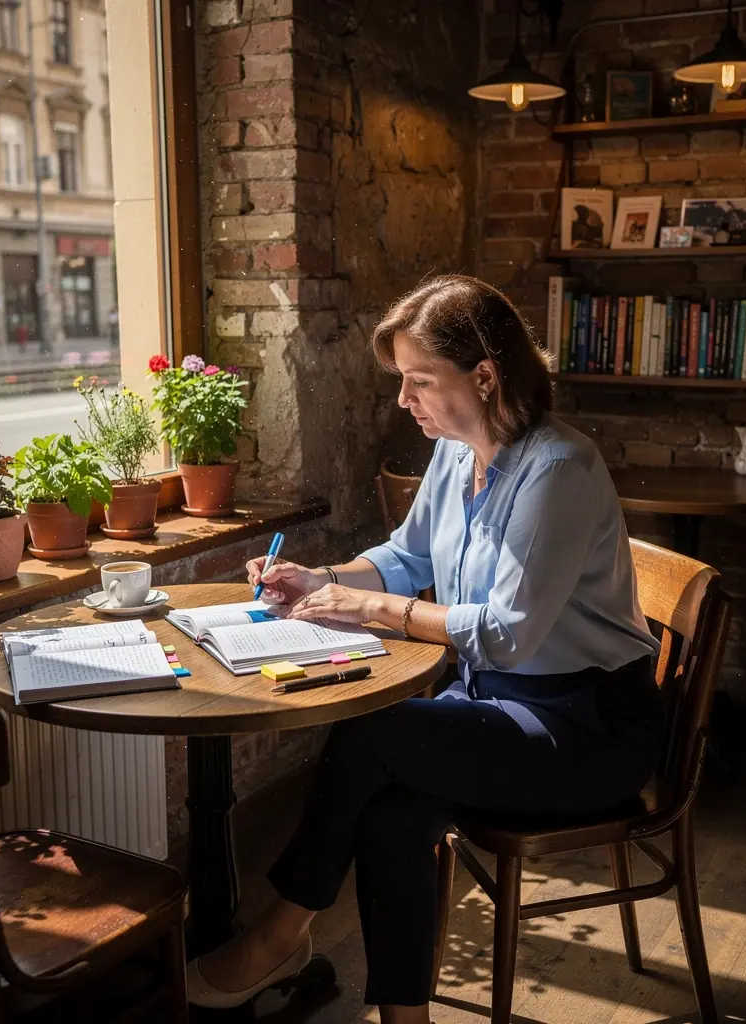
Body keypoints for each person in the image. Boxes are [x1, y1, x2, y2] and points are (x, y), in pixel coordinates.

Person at [185, 275, 664, 1022]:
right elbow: (407, 558)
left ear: (485, 376)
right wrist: (321, 578)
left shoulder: (558, 469)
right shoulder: (454, 450)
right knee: (391, 816)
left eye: (420, 380)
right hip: (497, 704)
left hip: (587, 727)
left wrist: (369, 607)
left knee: (373, 733)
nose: (404, 400)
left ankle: (279, 934)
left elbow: (507, 633)